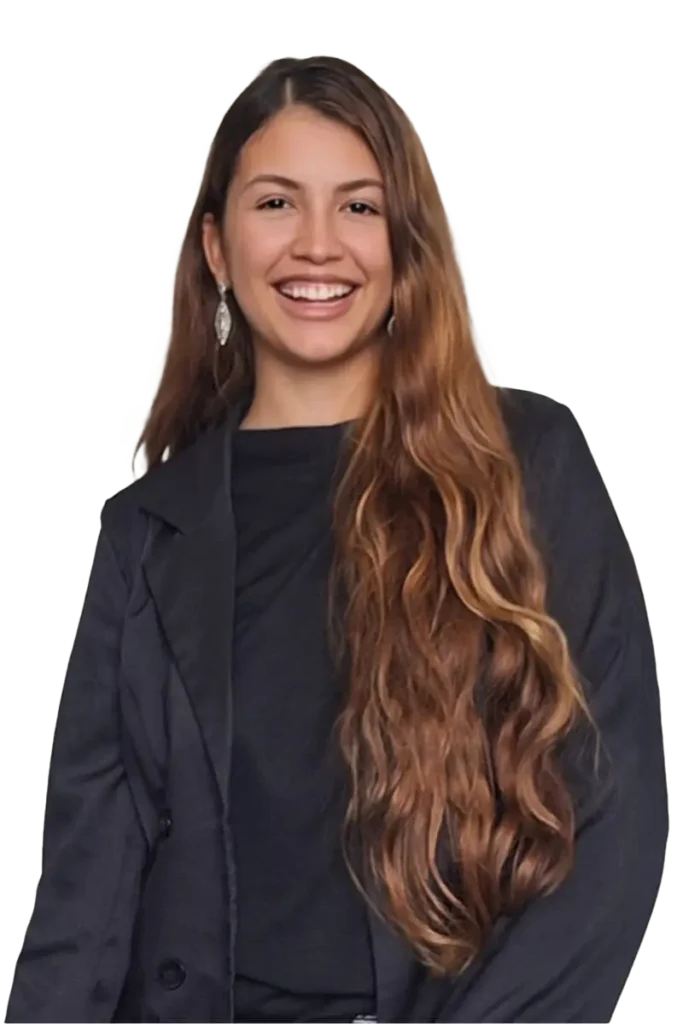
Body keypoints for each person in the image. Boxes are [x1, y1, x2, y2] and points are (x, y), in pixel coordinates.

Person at [5, 55, 668, 1024]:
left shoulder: (525, 461)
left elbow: (610, 819)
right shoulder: (148, 531)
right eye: (276, 203)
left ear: (403, 244)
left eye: (357, 206)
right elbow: (86, 884)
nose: (317, 245)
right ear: (216, 248)